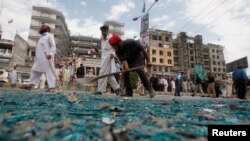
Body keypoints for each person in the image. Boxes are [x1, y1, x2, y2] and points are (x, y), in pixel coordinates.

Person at [24, 23, 57, 92]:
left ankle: (52, 88)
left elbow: (53, 46)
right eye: (42, 26)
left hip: (47, 58)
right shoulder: (40, 38)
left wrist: (50, 54)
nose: (42, 27)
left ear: (47, 28)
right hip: (39, 59)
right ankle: (30, 85)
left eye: (43, 26)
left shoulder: (49, 36)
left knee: (49, 72)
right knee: (35, 71)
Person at [93, 25, 121, 95]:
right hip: (103, 59)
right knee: (109, 75)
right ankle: (117, 89)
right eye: (102, 31)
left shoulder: (111, 39)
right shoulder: (102, 39)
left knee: (102, 73)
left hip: (109, 58)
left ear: (107, 31)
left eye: (105, 31)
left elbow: (115, 48)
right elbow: (103, 51)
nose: (103, 32)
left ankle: (99, 90)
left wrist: (113, 55)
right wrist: (98, 51)